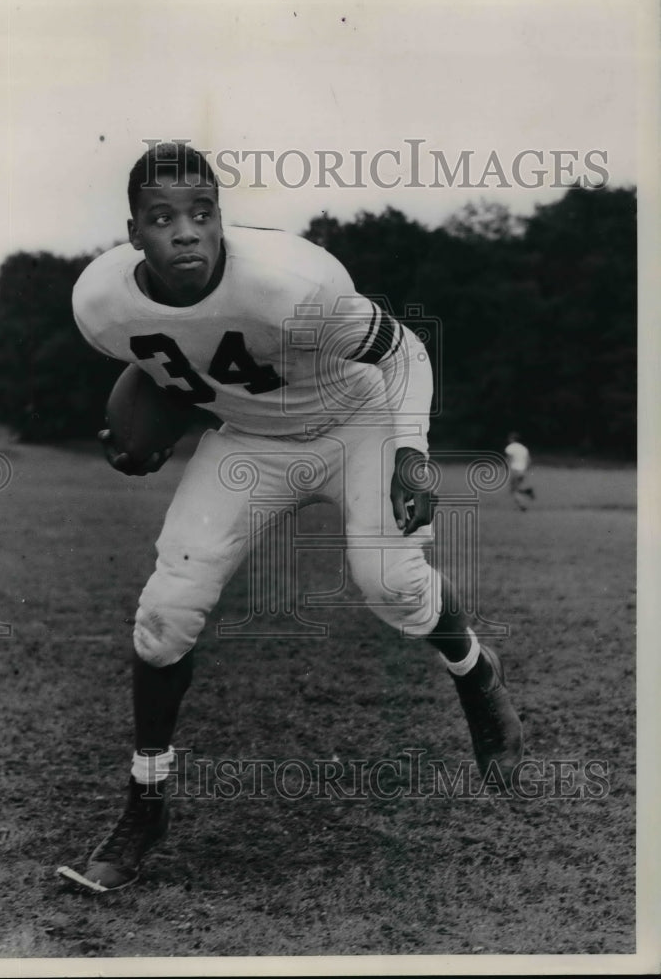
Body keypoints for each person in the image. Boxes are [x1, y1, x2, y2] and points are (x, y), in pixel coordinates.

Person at [57, 142, 524, 893]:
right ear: (133, 231)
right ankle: (145, 805)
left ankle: (474, 673)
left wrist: (410, 455)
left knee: (392, 585)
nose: (185, 232)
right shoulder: (100, 305)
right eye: (162, 218)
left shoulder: (288, 281)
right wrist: (158, 410)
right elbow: (172, 359)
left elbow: (402, 351)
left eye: (201, 214)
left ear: (221, 218)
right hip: (250, 443)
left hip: (357, 424)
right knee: (164, 614)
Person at [504, 432, 535, 511]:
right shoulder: (524, 448)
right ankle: (528, 492)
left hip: (515, 470)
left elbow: (508, 459)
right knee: (517, 488)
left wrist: (505, 469)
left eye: (509, 438)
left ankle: (522, 506)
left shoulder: (510, 447)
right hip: (522, 471)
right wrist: (526, 470)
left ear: (512, 439)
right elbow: (529, 461)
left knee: (513, 490)